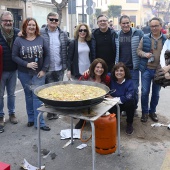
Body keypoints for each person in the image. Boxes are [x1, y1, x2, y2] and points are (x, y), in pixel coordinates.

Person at [12, 17, 50, 131]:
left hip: (38, 74)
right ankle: (31, 119)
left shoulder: (41, 39)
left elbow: (47, 55)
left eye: (33, 25)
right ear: (25, 27)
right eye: (29, 25)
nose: (31, 27)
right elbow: (14, 56)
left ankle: (40, 122)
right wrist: (26, 64)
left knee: (37, 97)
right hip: (24, 73)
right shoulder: (19, 40)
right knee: (28, 96)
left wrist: (44, 70)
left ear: (36, 27)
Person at [137, 17, 167, 123]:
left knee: (156, 93)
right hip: (146, 69)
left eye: (156, 26)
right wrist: (145, 54)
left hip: (159, 71)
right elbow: (138, 50)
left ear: (161, 26)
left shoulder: (165, 40)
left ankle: (152, 111)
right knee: (144, 92)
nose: (153, 28)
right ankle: (145, 112)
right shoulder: (145, 38)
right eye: (152, 26)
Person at [40, 12, 69, 120]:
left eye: (56, 20)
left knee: (58, 89)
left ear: (58, 21)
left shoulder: (63, 34)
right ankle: (50, 111)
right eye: (51, 19)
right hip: (46, 67)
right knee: (48, 91)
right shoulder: (41, 32)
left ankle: (55, 111)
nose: (53, 21)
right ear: (47, 20)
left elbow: (68, 44)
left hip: (60, 67)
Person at [115, 15, 144, 115]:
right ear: (120, 24)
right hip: (121, 69)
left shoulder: (138, 33)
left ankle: (133, 108)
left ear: (130, 22)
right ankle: (125, 109)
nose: (126, 25)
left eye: (127, 22)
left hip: (133, 68)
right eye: (123, 23)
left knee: (134, 89)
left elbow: (145, 45)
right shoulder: (117, 35)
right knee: (123, 90)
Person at [75, 58, 110, 129]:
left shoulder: (106, 78)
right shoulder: (87, 75)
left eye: (102, 67)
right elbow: (77, 86)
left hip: (100, 99)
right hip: (86, 99)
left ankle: (100, 119)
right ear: (93, 68)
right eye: (97, 67)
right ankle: (82, 120)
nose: (99, 69)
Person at [0, 11, 20, 130]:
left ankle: (12, 114)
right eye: (5, 20)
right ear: (1, 22)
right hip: (1, 71)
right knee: (0, 95)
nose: (8, 22)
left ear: (13, 21)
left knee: (11, 94)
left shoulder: (18, 33)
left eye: (10, 20)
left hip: (13, 70)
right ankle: (1, 116)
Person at [107, 62, 135, 135]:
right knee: (113, 121)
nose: (119, 72)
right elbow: (100, 74)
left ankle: (129, 123)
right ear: (114, 72)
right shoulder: (110, 78)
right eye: (117, 70)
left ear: (125, 72)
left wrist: (113, 98)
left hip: (125, 103)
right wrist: (88, 70)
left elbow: (128, 97)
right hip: (114, 104)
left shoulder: (129, 82)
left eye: (121, 70)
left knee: (131, 102)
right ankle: (115, 119)